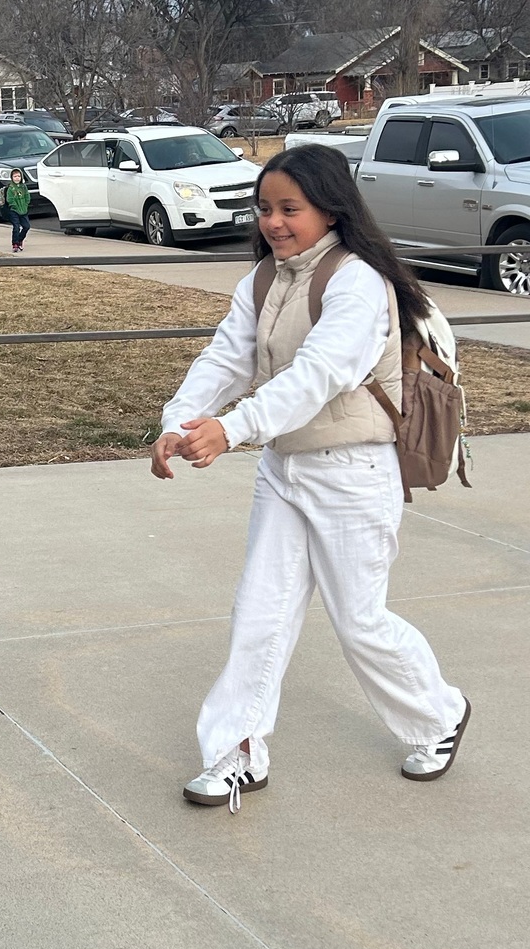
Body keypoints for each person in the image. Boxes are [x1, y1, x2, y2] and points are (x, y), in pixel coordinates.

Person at [150, 144, 470, 814]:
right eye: (265, 208)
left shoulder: (357, 282)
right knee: (258, 613)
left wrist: (232, 429)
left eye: (289, 208)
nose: (273, 221)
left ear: (330, 207)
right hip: (286, 468)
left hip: (353, 472)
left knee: (360, 622)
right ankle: (236, 754)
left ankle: (439, 716)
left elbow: (318, 377)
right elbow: (226, 357)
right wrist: (181, 422)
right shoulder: (266, 280)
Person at [5, 168, 31, 253]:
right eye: (15, 176)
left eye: (19, 176)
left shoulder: (24, 187)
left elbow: (27, 197)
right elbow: (10, 199)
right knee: (16, 227)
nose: (17, 178)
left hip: (23, 210)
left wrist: (26, 205)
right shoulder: (11, 188)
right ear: (12, 177)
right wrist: (15, 206)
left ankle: (20, 239)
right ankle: (15, 243)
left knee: (26, 226)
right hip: (14, 211)